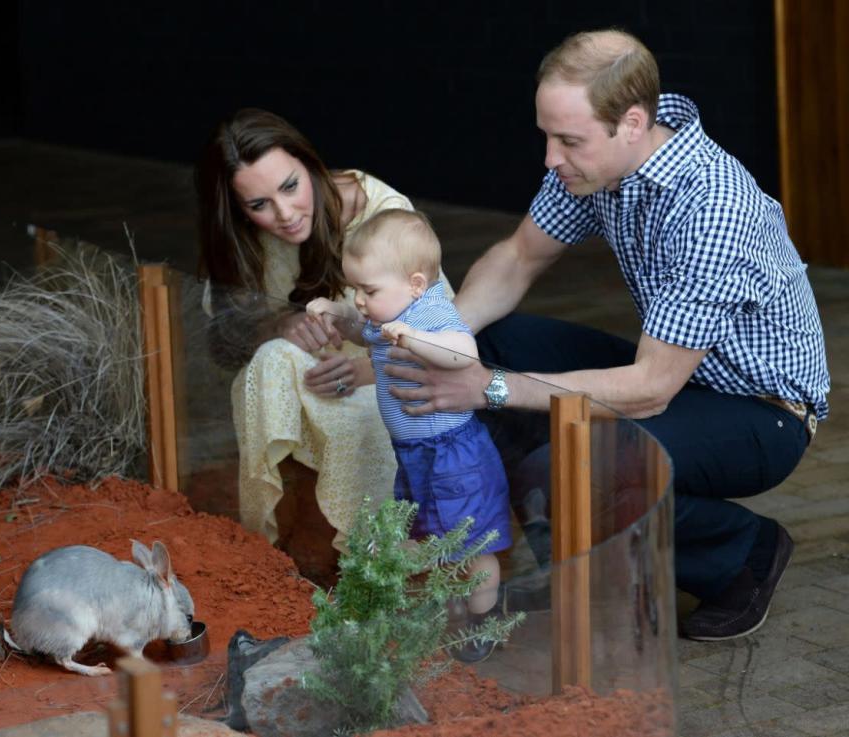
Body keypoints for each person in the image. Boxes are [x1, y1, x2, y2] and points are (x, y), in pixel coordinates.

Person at [384, 30, 830, 641]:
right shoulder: (602, 169)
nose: (550, 157)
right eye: (547, 136)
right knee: (494, 342)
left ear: (632, 123)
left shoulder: (713, 207)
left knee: (578, 458)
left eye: (568, 140)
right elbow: (517, 257)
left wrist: (487, 389)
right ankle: (579, 558)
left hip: (760, 414)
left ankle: (742, 552)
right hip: (682, 375)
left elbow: (649, 388)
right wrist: (440, 344)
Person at [194, 109, 456, 578]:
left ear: (308, 164)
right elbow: (223, 343)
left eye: (290, 186)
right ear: (238, 209)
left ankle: (372, 563)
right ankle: (267, 544)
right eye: (259, 205)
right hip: (312, 385)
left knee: (353, 425)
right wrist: (275, 325)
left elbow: (444, 340)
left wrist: (364, 368)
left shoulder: (383, 213)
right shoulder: (245, 238)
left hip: (393, 387)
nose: (285, 214)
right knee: (271, 359)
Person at [307, 208, 511, 662]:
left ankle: (486, 619)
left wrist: (413, 338)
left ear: (415, 285)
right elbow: (365, 333)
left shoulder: (430, 313)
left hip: (453, 455)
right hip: (416, 453)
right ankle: (417, 602)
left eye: (368, 290)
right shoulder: (388, 313)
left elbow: (464, 353)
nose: (360, 299)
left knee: (472, 545)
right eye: (355, 289)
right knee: (425, 532)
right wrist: (338, 316)